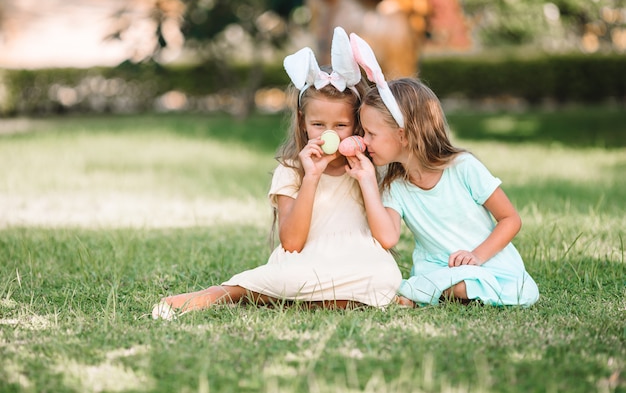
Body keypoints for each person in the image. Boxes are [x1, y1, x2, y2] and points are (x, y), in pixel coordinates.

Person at [152, 27, 402, 320]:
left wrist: (367, 179)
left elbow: (386, 239)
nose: (328, 134)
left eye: (341, 126)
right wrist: (311, 178)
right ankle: (229, 292)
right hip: (304, 260)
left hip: (358, 258)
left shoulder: (371, 168)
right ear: (303, 120)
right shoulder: (292, 170)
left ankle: (288, 298)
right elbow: (292, 243)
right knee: (288, 277)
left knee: (385, 278)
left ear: (357, 124)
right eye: (318, 124)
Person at [344, 32, 540, 307]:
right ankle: (443, 290)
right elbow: (388, 237)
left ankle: (438, 292)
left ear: (403, 135)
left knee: (508, 290)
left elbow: (510, 219)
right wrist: (366, 181)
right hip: (437, 268)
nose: (363, 141)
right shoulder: (396, 186)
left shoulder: (463, 168)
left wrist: (476, 256)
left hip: (487, 261)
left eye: (370, 133)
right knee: (444, 283)